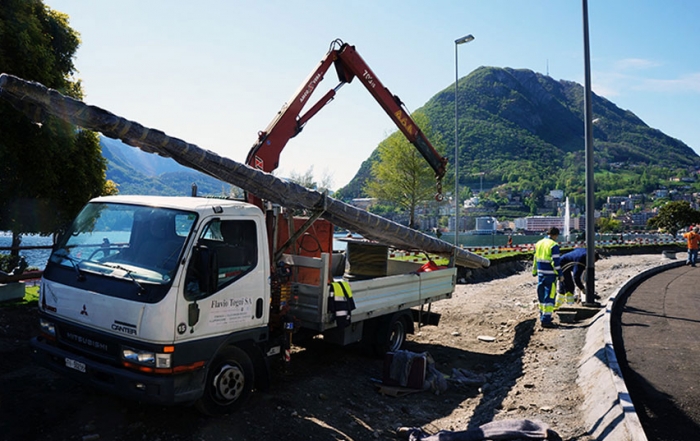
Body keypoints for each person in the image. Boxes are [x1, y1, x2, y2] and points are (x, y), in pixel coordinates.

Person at [532, 227, 561, 328]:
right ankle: (546, 320)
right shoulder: (554, 245)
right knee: (550, 296)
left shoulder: (538, 243)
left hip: (541, 274)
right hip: (550, 274)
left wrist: (534, 271)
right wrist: (560, 274)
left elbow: (535, 258)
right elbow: (556, 262)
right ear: (555, 235)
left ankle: (542, 316)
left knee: (541, 295)